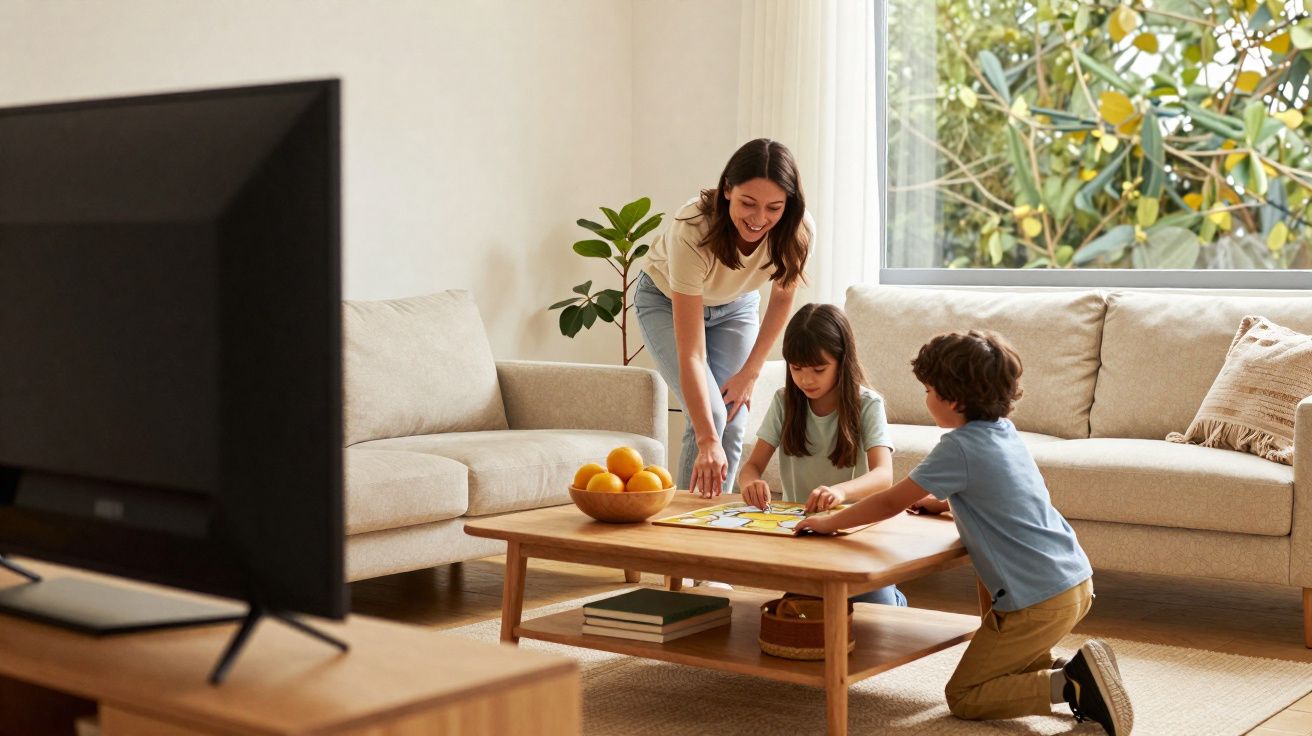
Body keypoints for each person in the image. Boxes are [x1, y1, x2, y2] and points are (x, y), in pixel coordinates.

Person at [796, 330, 1133, 735]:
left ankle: (1072, 684)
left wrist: (829, 522)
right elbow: (1002, 492)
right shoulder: (1004, 433)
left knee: (967, 695)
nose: (926, 399)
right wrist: (942, 502)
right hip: (1073, 581)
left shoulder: (956, 448)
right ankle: (1080, 671)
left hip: (1037, 599)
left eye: (928, 390)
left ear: (952, 400)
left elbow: (889, 501)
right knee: (1007, 665)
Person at [635, 138, 814, 497]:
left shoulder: (798, 229)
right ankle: (685, 531)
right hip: (665, 301)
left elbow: (782, 297)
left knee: (732, 417)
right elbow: (692, 355)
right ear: (727, 190)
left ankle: (713, 522)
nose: (759, 219)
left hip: (736, 305)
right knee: (711, 420)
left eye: (774, 208)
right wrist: (705, 440)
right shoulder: (693, 228)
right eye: (748, 203)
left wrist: (751, 372)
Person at [737, 303, 905, 606]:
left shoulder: (867, 404)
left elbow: (884, 475)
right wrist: (751, 483)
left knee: (880, 612)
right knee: (803, 613)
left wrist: (839, 492)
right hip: (804, 532)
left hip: (855, 529)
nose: (806, 380)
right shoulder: (785, 402)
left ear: (842, 361)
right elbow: (751, 467)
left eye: (818, 369)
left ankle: (894, 595)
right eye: (797, 369)